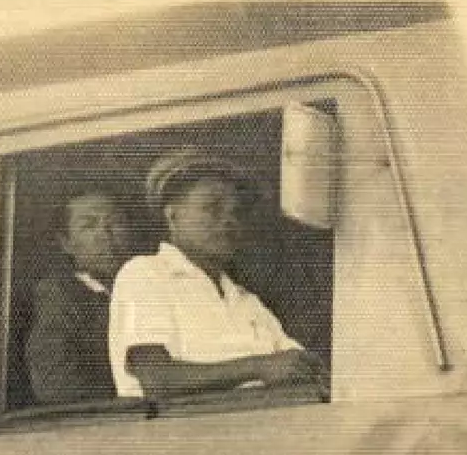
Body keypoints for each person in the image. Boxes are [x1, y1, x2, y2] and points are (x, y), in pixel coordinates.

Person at [106, 148, 325, 400]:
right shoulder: (144, 274)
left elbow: (296, 366)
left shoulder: (244, 299)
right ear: (172, 214)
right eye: (212, 207)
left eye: (235, 212)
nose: (228, 221)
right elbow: (157, 379)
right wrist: (259, 366)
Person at [23, 188, 132, 405]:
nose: (105, 234)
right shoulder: (58, 296)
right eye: (88, 226)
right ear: (67, 243)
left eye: (115, 222)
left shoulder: (146, 287)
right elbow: (57, 385)